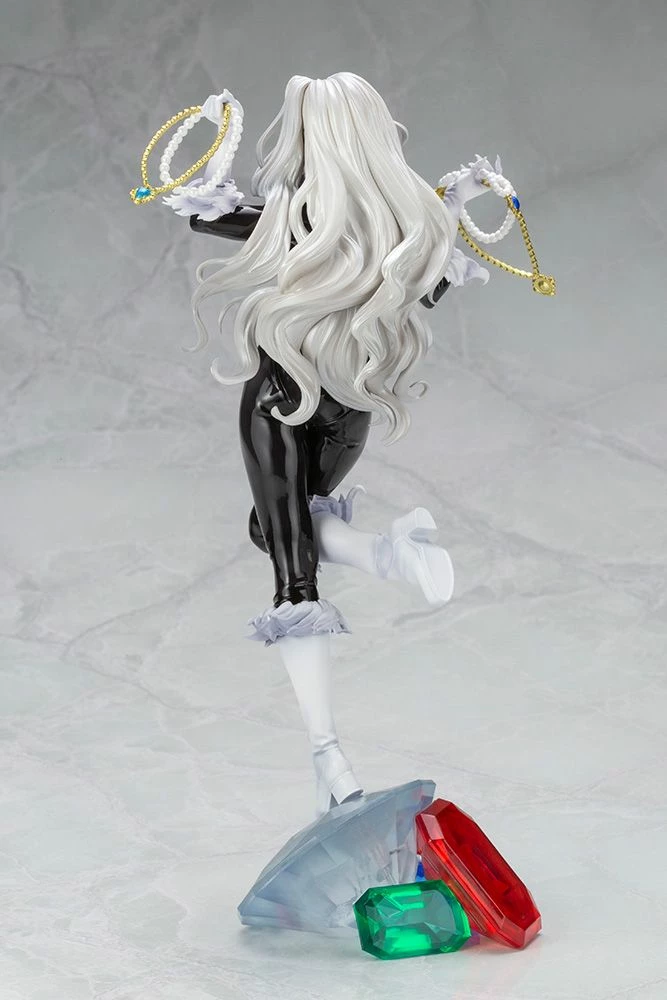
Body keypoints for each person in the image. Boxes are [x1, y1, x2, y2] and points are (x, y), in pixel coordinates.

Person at [172, 73, 492, 815]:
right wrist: (452, 207)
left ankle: (329, 758)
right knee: (274, 529)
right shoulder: (401, 231)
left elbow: (195, 211)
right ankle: (385, 555)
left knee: (293, 576)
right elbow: (423, 291)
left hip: (280, 404)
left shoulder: (292, 219)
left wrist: (216, 137)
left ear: (310, 137)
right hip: (350, 414)